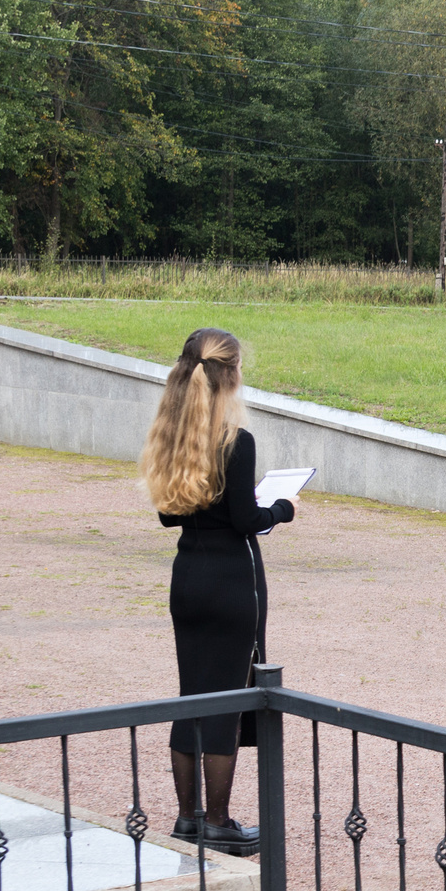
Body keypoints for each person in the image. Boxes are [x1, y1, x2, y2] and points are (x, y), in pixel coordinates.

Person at [139, 327, 296, 853]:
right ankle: (220, 821)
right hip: (231, 583)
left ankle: (189, 817)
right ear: (231, 375)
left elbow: (168, 514)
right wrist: (282, 508)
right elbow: (246, 520)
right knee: (226, 701)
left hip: (188, 578)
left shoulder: (171, 434)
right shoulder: (236, 441)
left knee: (191, 697)